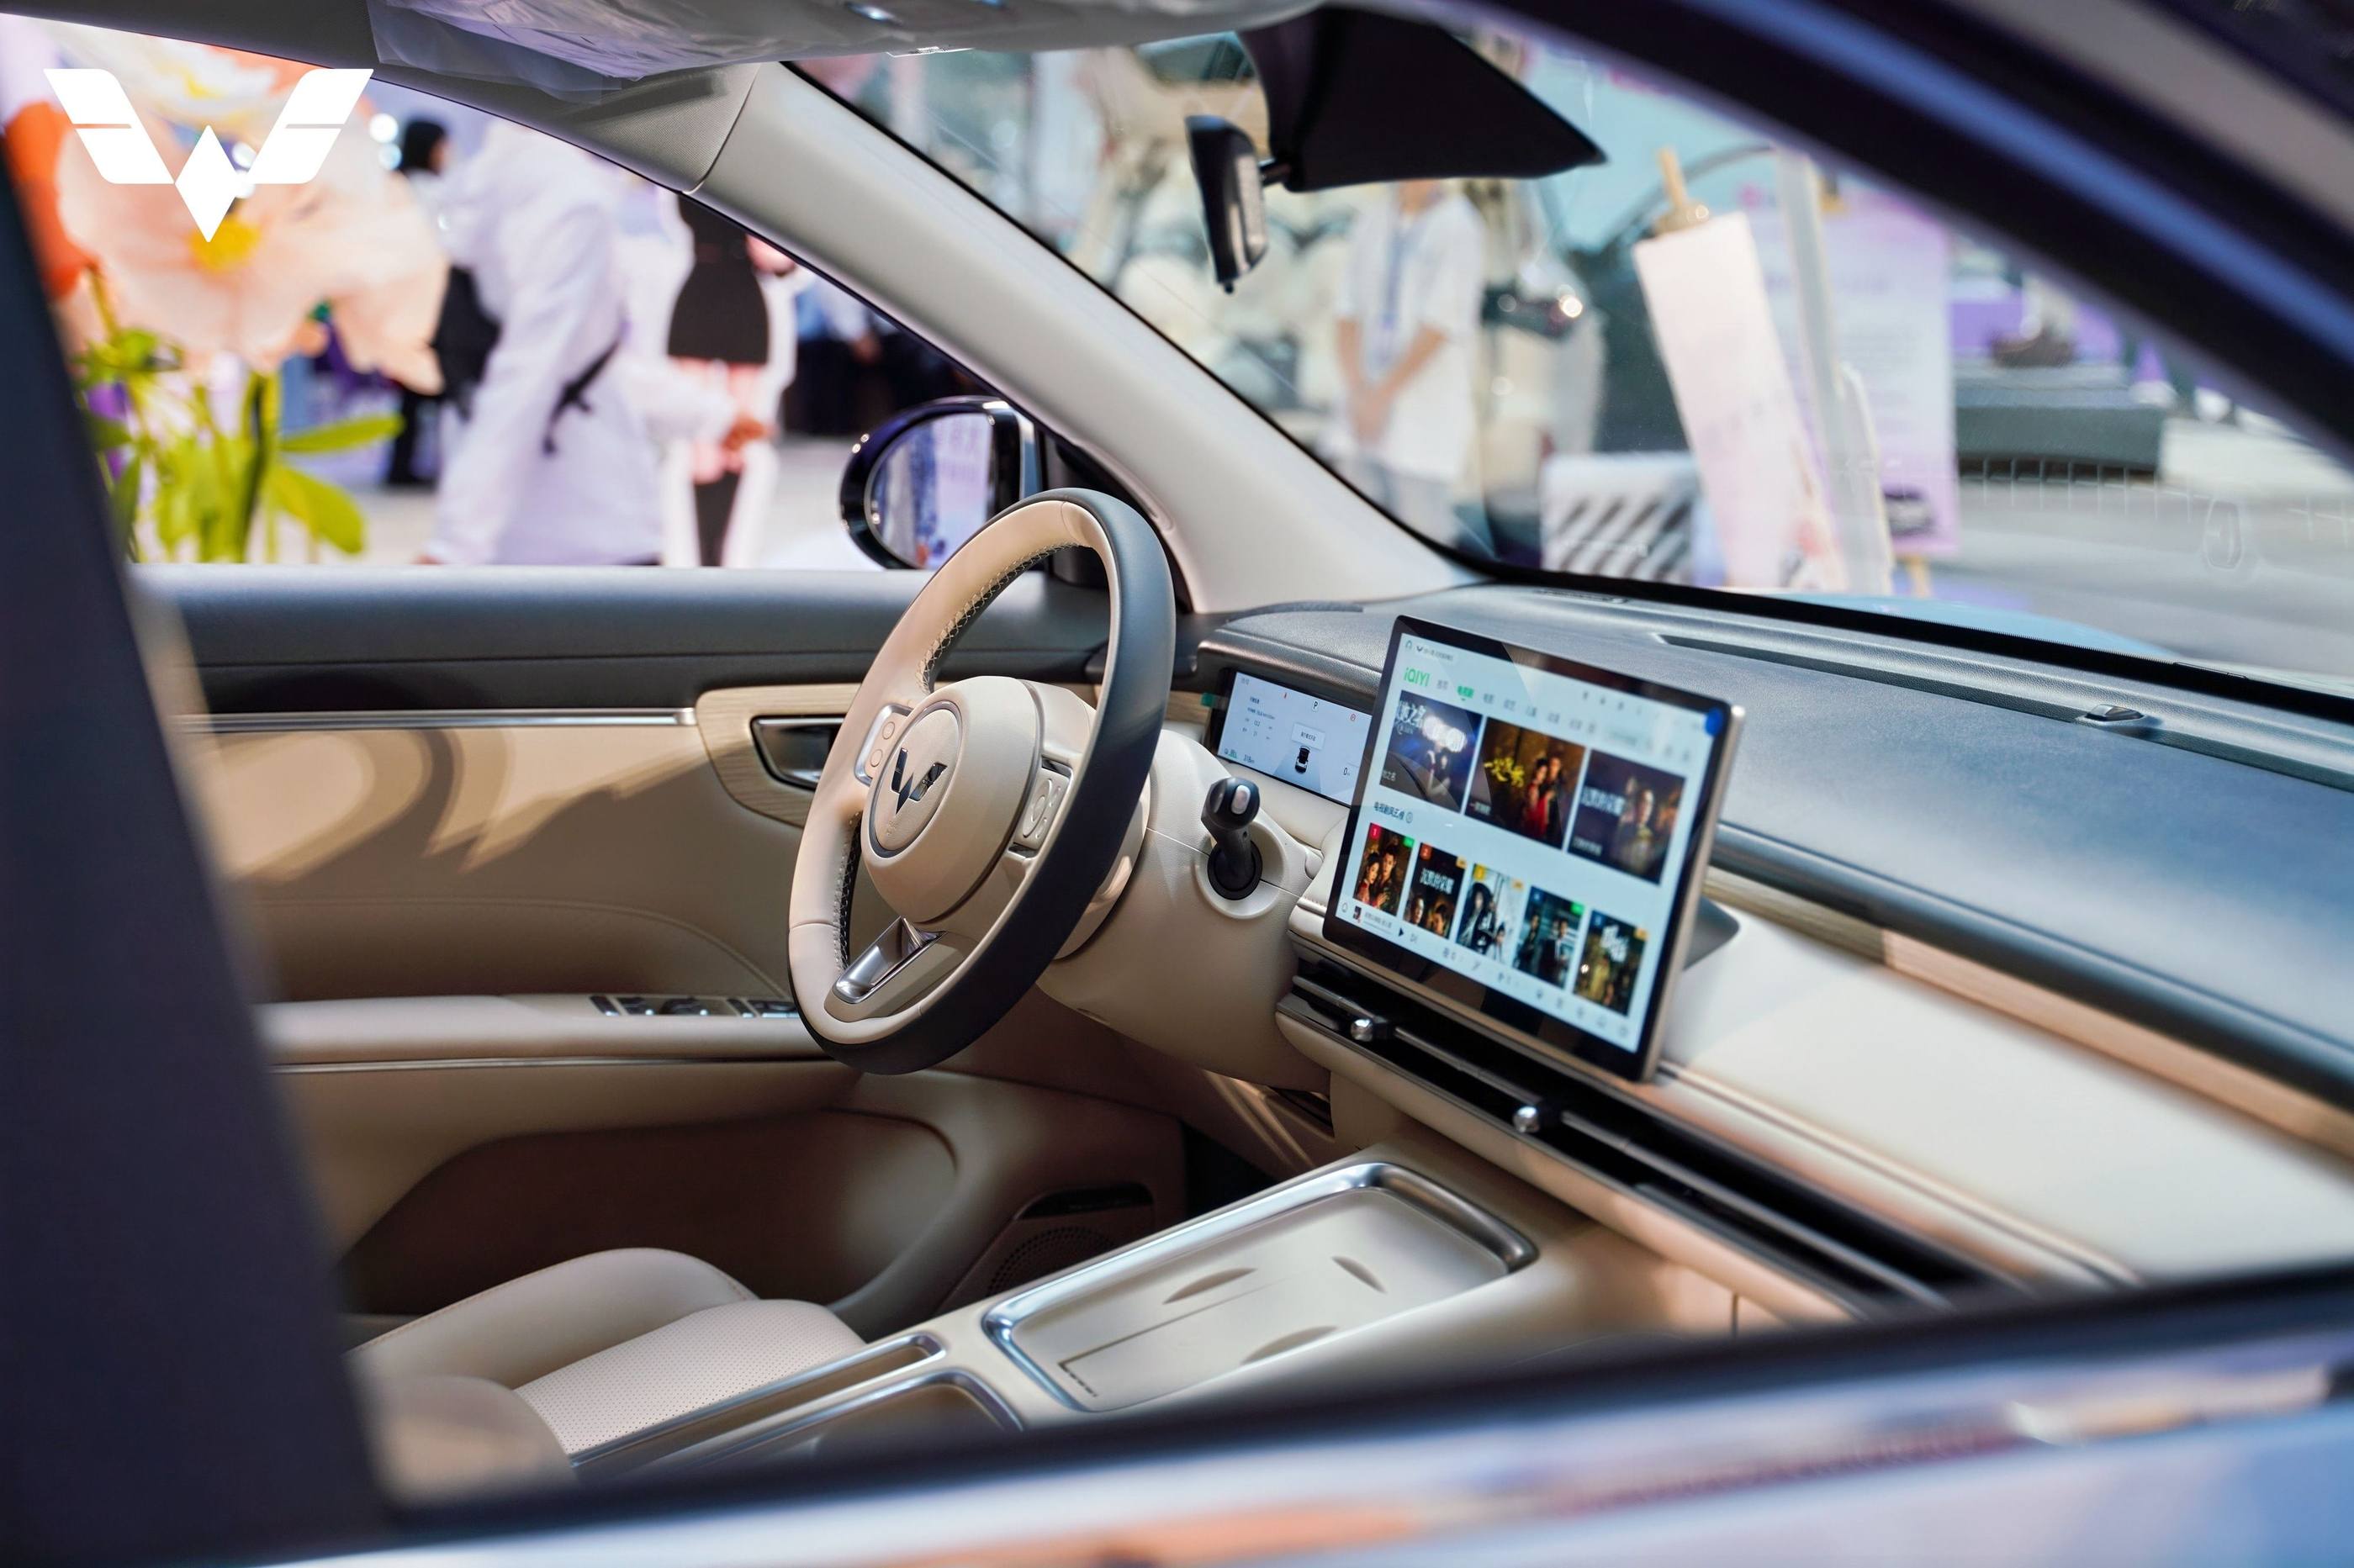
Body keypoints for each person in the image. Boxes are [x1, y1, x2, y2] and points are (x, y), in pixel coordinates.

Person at [421, 124, 759, 565]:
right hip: (583, 523)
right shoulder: (565, 195)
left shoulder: (502, 175)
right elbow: (530, 369)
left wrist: (709, 414)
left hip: (554, 520)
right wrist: (454, 544)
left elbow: (580, 356)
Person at [1325, 179, 1489, 555]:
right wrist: (1359, 391)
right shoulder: (1375, 217)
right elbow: (1346, 309)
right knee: (1352, 536)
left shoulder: (1459, 225)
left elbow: (1441, 323)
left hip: (1421, 414)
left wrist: (1380, 397)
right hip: (1359, 410)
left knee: (1421, 540)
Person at [383, 119, 447, 489]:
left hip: (399, 302)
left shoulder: (393, 187)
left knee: (411, 390)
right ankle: (415, 465)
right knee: (428, 387)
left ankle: (402, 464)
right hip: (428, 302)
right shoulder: (428, 191)